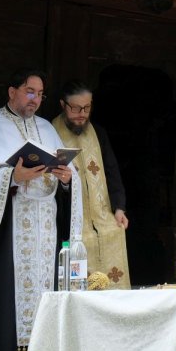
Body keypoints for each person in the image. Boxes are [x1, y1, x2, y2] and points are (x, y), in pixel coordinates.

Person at [0, 69, 81, 351]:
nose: (36, 100)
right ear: (11, 91)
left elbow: (70, 175)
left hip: (45, 228)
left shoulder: (45, 127)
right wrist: (12, 176)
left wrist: (68, 178)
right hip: (9, 227)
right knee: (6, 298)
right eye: (30, 92)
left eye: (40, 94)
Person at [53, 81, 131, 288]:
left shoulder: (98, 133)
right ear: (63, 105)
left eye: (87, 108)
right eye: (76, 108)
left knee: (114, 233)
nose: (82, 113)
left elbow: (112, 171)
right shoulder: (50, 132)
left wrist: (119, 207)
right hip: (71, 220)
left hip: (102, 216)